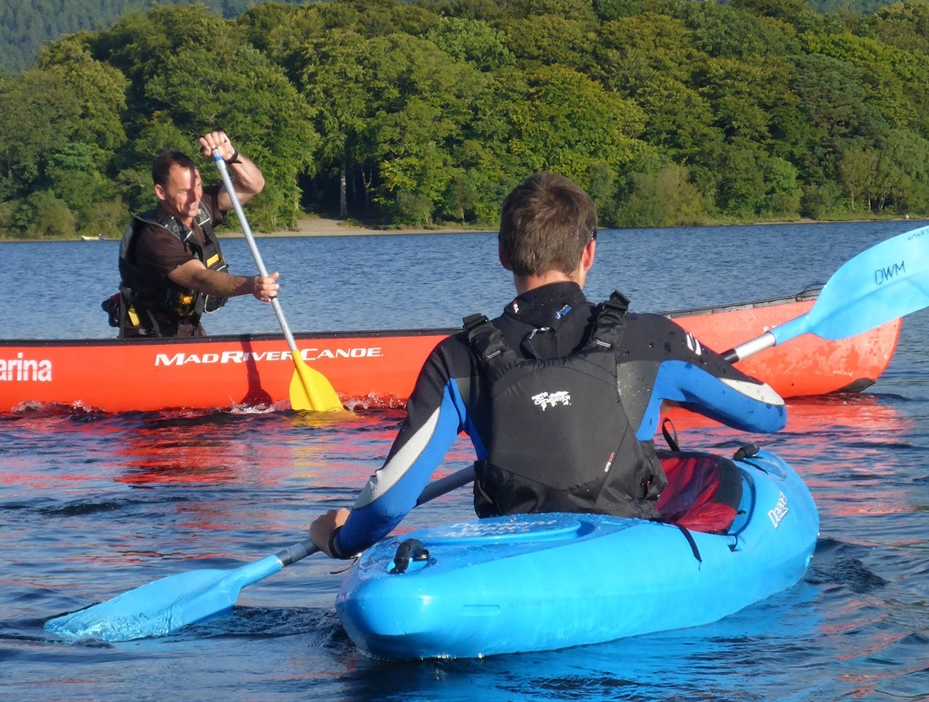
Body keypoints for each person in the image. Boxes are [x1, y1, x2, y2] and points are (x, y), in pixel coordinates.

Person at [309, 173, 788, 559]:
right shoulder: (650, 337)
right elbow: (769, 413)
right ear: (589, 253)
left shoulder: (456, 357)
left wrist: (340, 538)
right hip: (627, 553)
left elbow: (391, 498)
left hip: (517, 560)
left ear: (503, 255)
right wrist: (688, 366)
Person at [114, 131, 278, 338]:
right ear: (161, 192)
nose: (194, 197)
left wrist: (231, 155)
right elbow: (200, 278)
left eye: (197, 186)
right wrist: (251, 285)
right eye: (184, 191)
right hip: (150, 337)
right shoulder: (155, 238)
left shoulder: (201, 206)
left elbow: (253, 186)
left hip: (188, 330)